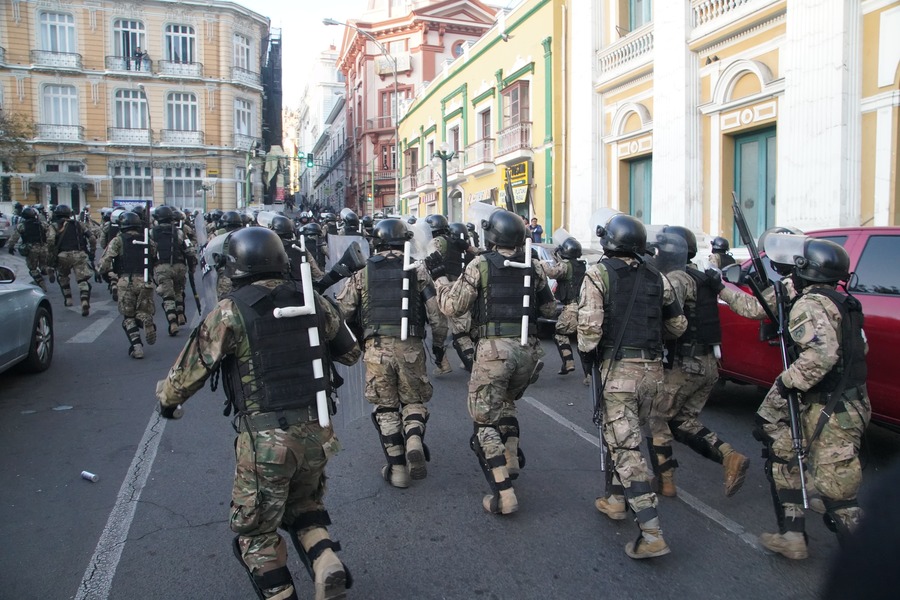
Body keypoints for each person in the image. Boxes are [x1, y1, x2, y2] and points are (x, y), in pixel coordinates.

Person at [156, 227, 360, 600]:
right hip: (318, 432)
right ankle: (326, 558)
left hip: (266, 441)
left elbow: (188, 372)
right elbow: (350, 353)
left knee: (256, 532)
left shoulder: (231, 311)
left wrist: (168, 402)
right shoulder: (310, 298)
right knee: (305, 507)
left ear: (235, 266)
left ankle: (281, 592)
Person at [720, 235, 869, 560]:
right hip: (830, 402)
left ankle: (868, 570)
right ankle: (792, 536)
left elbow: (821, 356)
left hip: (833, 407)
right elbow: (859, 349)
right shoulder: (844, 301)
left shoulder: (810, 304)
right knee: (783, 454)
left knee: (838, 491)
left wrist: (786, 384)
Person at [427, 209, 557, 515]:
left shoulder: (481, 264)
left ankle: (503, 493)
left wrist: (439, 277)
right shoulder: (532, 266)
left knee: (483, 420)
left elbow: (451, 306)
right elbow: (550, 309)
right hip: (529, 353)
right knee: (507, 402)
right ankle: (510, 457)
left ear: (492, 235)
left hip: (493, 352)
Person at [576, 214, 687, 559]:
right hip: (653, 374)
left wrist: (589, 357)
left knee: (626, 449)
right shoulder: (658, 276)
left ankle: (652, 533)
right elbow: (679, 324)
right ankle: (615, 499)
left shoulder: (598, 273)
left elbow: (589, 334)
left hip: (619, 371)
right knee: (624, 435)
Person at [335, 219, 441, 488]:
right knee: (414, 400)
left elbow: (340, 314)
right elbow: (438, 316)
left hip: (376, 349)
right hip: (411, 347)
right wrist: (440, 347)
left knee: (386, 408)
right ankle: (414, 435)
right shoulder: (418, 271)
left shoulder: (362, 274)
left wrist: (347, 347)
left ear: (377, 241)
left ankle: (397, 471)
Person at [648, 226, 750, 499]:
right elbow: (743, 306)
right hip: (708, 364)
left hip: (685, 364)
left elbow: (669, 317)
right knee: (683, 421)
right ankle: (730, 456)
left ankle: (665, 481)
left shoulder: (678, 278)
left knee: (656, 418)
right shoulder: (705, 276)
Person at [99, 211, 157, 358]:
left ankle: (137, 347)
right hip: (145, 281)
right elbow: (155, 257)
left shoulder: (118, 240)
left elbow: (105, 262)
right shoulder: (147, 240)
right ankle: (146, 320)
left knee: (128, 317)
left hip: (126, 281)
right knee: (143, 311)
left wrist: (103, 273)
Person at [544, 237, 589, 380]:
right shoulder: (580, 265)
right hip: (585, 307)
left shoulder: (565, 266)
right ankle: (589, 375)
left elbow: (552, 273)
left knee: (560, 334)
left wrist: (543, 264)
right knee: (584, 341)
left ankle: (568, 362)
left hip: (572, 308)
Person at [151, 206, 196, 335]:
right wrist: (192, 266)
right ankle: (180, 313)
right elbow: (189, 250)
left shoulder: (151, 233)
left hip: (162, 267)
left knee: (167, 296)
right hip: (180, 266)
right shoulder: (179, 232)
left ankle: (172, 321)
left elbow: (149, 252)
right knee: (178, 291)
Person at [423, 214, 455, 375]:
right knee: (462, 329)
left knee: (438, 325)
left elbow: (428, 265)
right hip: (458, 286)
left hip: (439, 287)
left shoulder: (433, 243)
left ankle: (442, 362)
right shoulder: (453, 240)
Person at [50, 204, 95, 316]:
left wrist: (52, 253)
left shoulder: (54, 226)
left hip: (62, 256)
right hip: (79, 255)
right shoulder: (79, 224)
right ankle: (84, 300)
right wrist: (92, 252)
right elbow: (92, 238)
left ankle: (68, 298)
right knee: (82, 280)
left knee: (63, 276)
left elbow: (50, 240)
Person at [8, 206, 55, 291]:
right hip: (44, 247)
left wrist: (10, 247)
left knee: (33, 269)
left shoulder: (22, 226)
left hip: (31, 249)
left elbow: (14, 238)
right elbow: (50, 235)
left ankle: (41, 284)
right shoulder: (43, 224)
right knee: (43, 266)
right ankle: (48, 270)